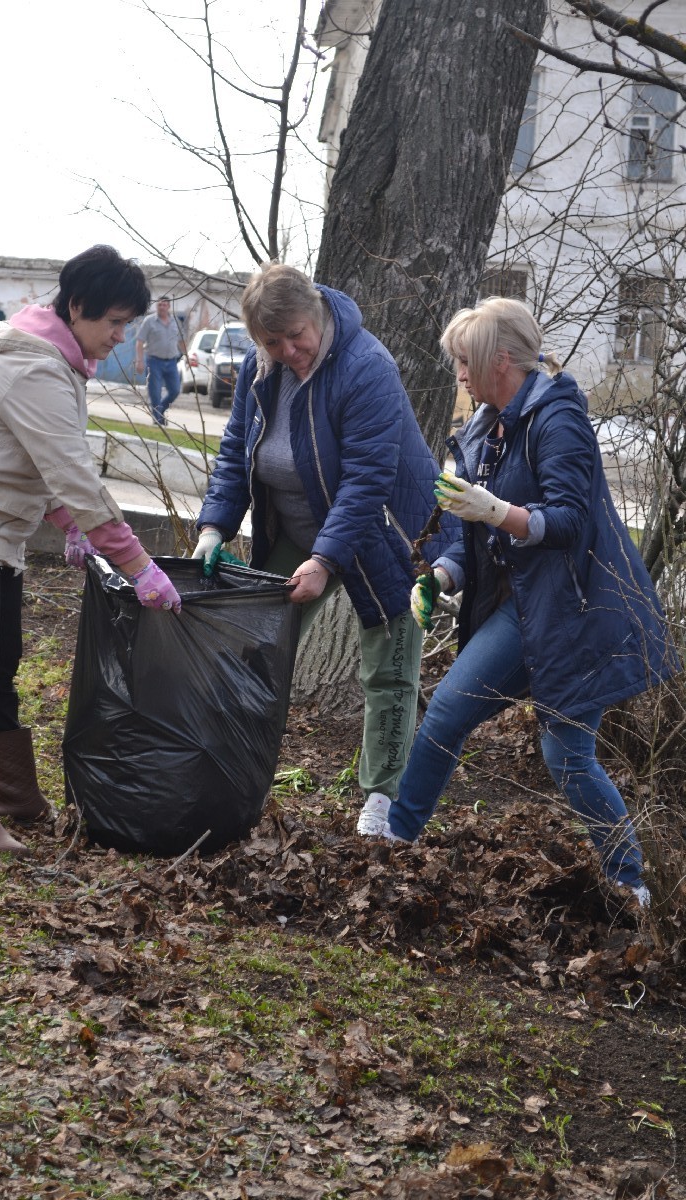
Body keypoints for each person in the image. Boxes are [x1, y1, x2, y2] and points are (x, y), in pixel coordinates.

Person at [361, 296, 680, 907]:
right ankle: (394, 844)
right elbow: (484, 536)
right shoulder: (492, 425)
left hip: (577, 613)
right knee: (447, 715)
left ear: (499, 360)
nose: (457, 375)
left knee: (567, 755)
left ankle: (631, 883)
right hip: (528, 607)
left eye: (464, 362)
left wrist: (494, 509)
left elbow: (566, 522)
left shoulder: (558, 420)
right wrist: (447, 574)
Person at [0, 245, 181, 857]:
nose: (118, 338)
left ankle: (11, 795)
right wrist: (138, 564)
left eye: (127, 325)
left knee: (1, 657)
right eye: (112, 322)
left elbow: (42, 464)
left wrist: (71, 523)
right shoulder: (33, 366)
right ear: (77, 306)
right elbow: (74, 474)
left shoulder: (56, 358)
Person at [191, 262, 456, 825]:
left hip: (386, 534)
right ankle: (232, 772)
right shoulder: (261, 370)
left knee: (389, 669)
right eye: (272, 341)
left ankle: (381, 805)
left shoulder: (367, 368)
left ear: (316, 314)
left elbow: (367, 481)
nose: (288, 350)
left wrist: (324, 559)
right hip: (296, 529)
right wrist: (214, 526)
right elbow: (239, 449)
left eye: (296, 336)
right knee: (258, 653)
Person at [135, 297, 186, 426]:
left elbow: (181, 341)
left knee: (175, 390)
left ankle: (160, 410)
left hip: (171, 362)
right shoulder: (149, 321)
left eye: (164, 305)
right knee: (155, 392)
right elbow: (140, 341)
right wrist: (139, 360)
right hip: (154, 361)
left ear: (169, 307)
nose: (161, 307)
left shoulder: (175, 322)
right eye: (159, 305)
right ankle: (158, 420)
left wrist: (187, 357)